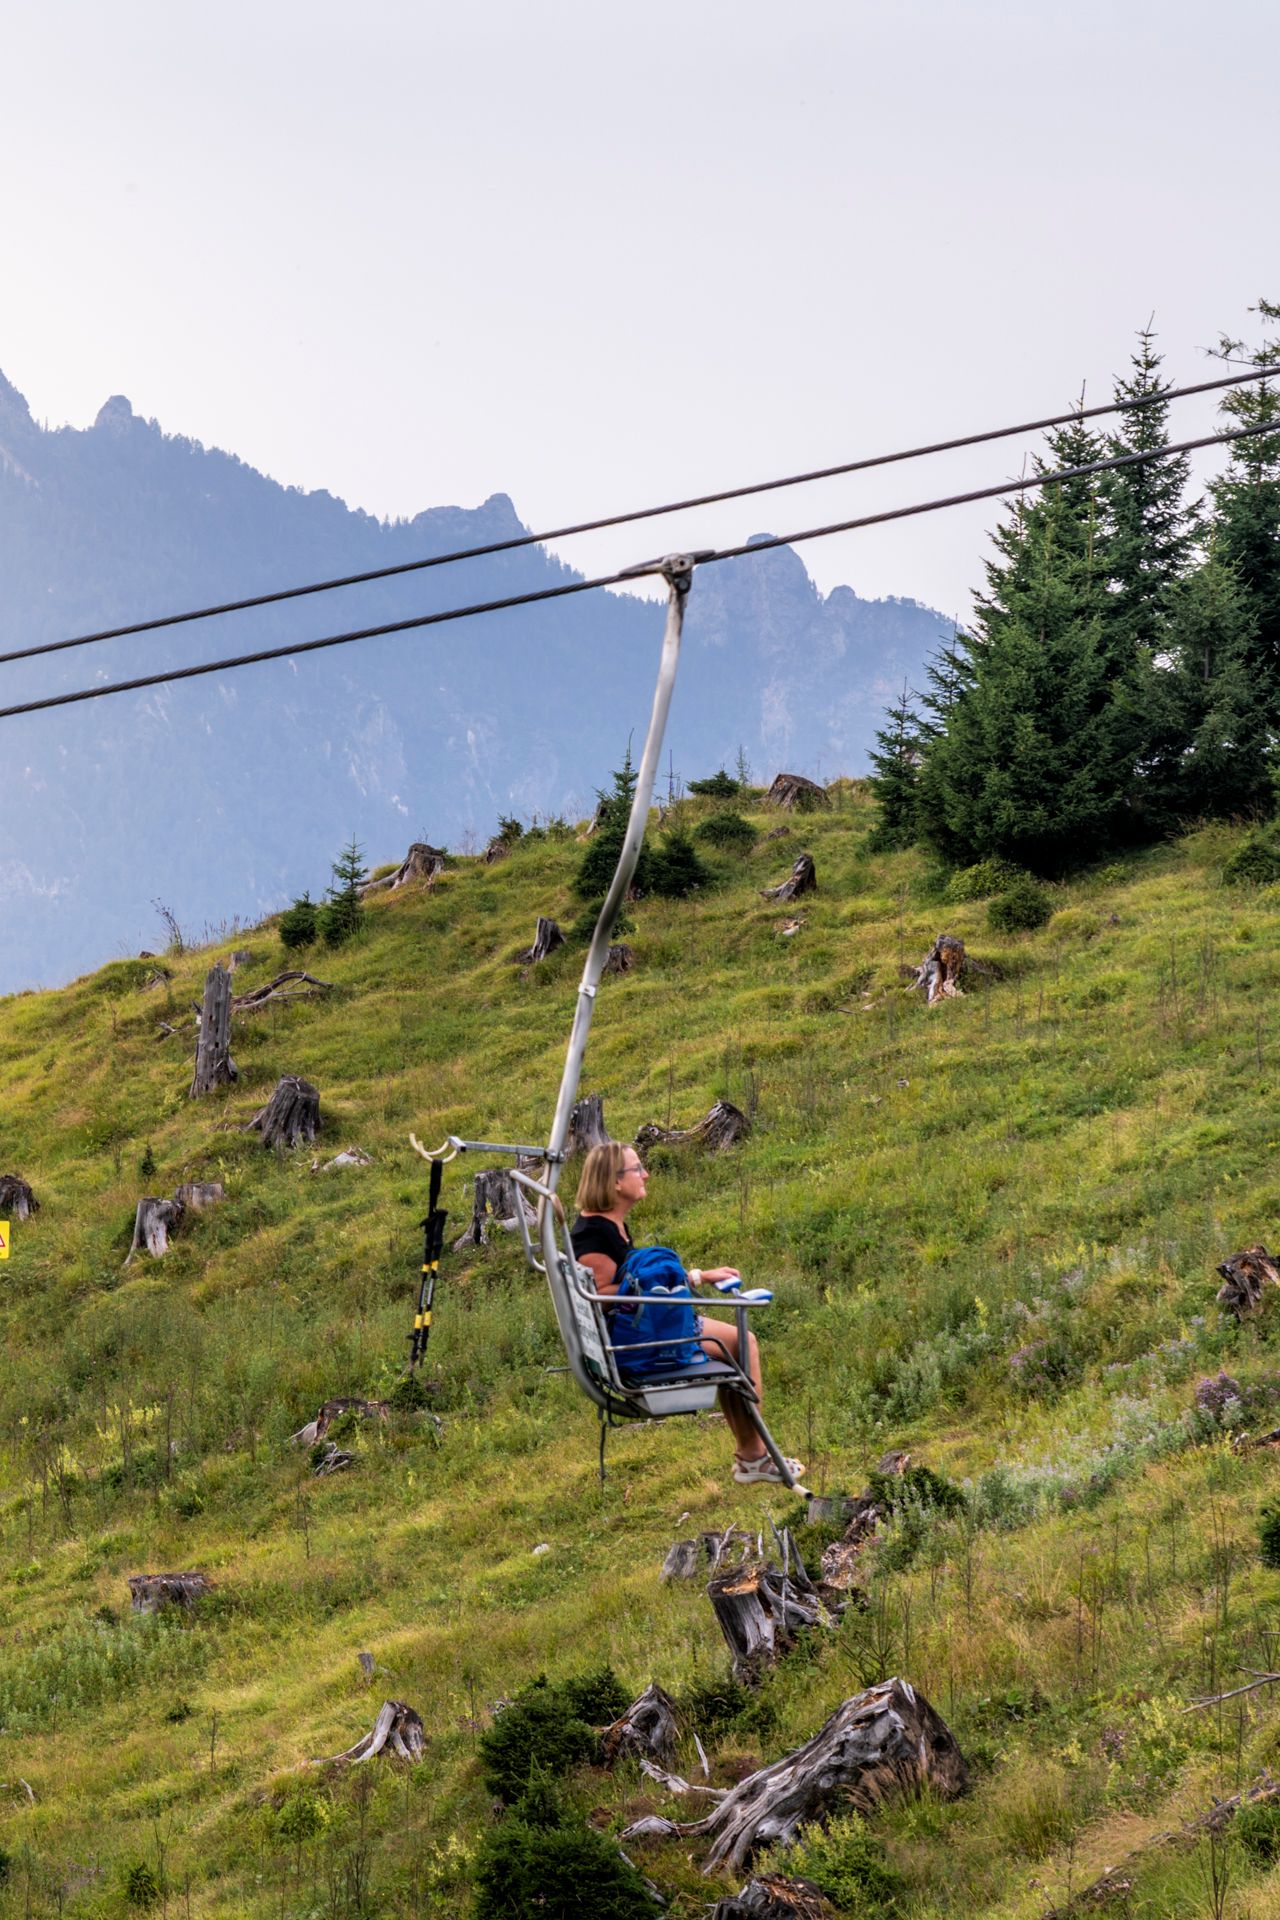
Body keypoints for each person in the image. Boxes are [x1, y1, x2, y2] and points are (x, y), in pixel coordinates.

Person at [569, 1141, 803, 1487]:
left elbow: (633, 1285)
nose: (645, 1174)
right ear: (615, 1182)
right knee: (743, 1342)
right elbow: (602, 1296)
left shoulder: (606, 1225)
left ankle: (752, 1456)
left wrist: (697, 1277)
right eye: (637, 1169)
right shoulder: (593, 1237)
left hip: (640, 1329)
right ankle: (754, 1458)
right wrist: (675, 1285)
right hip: (639, 1342)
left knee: (737, 1348)